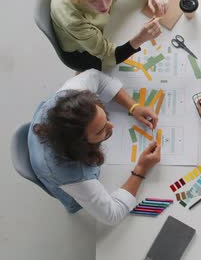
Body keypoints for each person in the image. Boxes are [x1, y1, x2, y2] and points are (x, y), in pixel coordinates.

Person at [28, 69, 161, 226]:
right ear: (80, 144)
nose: (112, 126)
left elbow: (96, 77)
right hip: (61, 182)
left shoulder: (71, 100)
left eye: (105, 116)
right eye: (100, 130)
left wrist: (133, 107)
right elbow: (112, 215)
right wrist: (140, 168)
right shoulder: (73, 175)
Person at [50, 0, 169, 71]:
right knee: (105, 73)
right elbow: (108, 57)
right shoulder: (72, 18)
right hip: (80, 50)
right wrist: (141, 38)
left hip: (101, 30)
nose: (104, 6)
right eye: (93, 0)